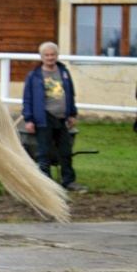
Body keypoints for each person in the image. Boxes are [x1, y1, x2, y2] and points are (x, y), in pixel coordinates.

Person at [22, 41, 85, 192]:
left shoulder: (64, 72)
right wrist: (29, 119)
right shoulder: (34, 76)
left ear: (57, 55)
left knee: (65, 151)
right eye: (47, 55)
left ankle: (68, 181)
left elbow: (70, 94)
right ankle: (46, 184)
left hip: (62, 118)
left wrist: (72, 113)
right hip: (44, 118)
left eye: (52, 55)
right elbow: (28, 99)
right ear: (41, 57)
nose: (50, 58)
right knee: (43, 153)